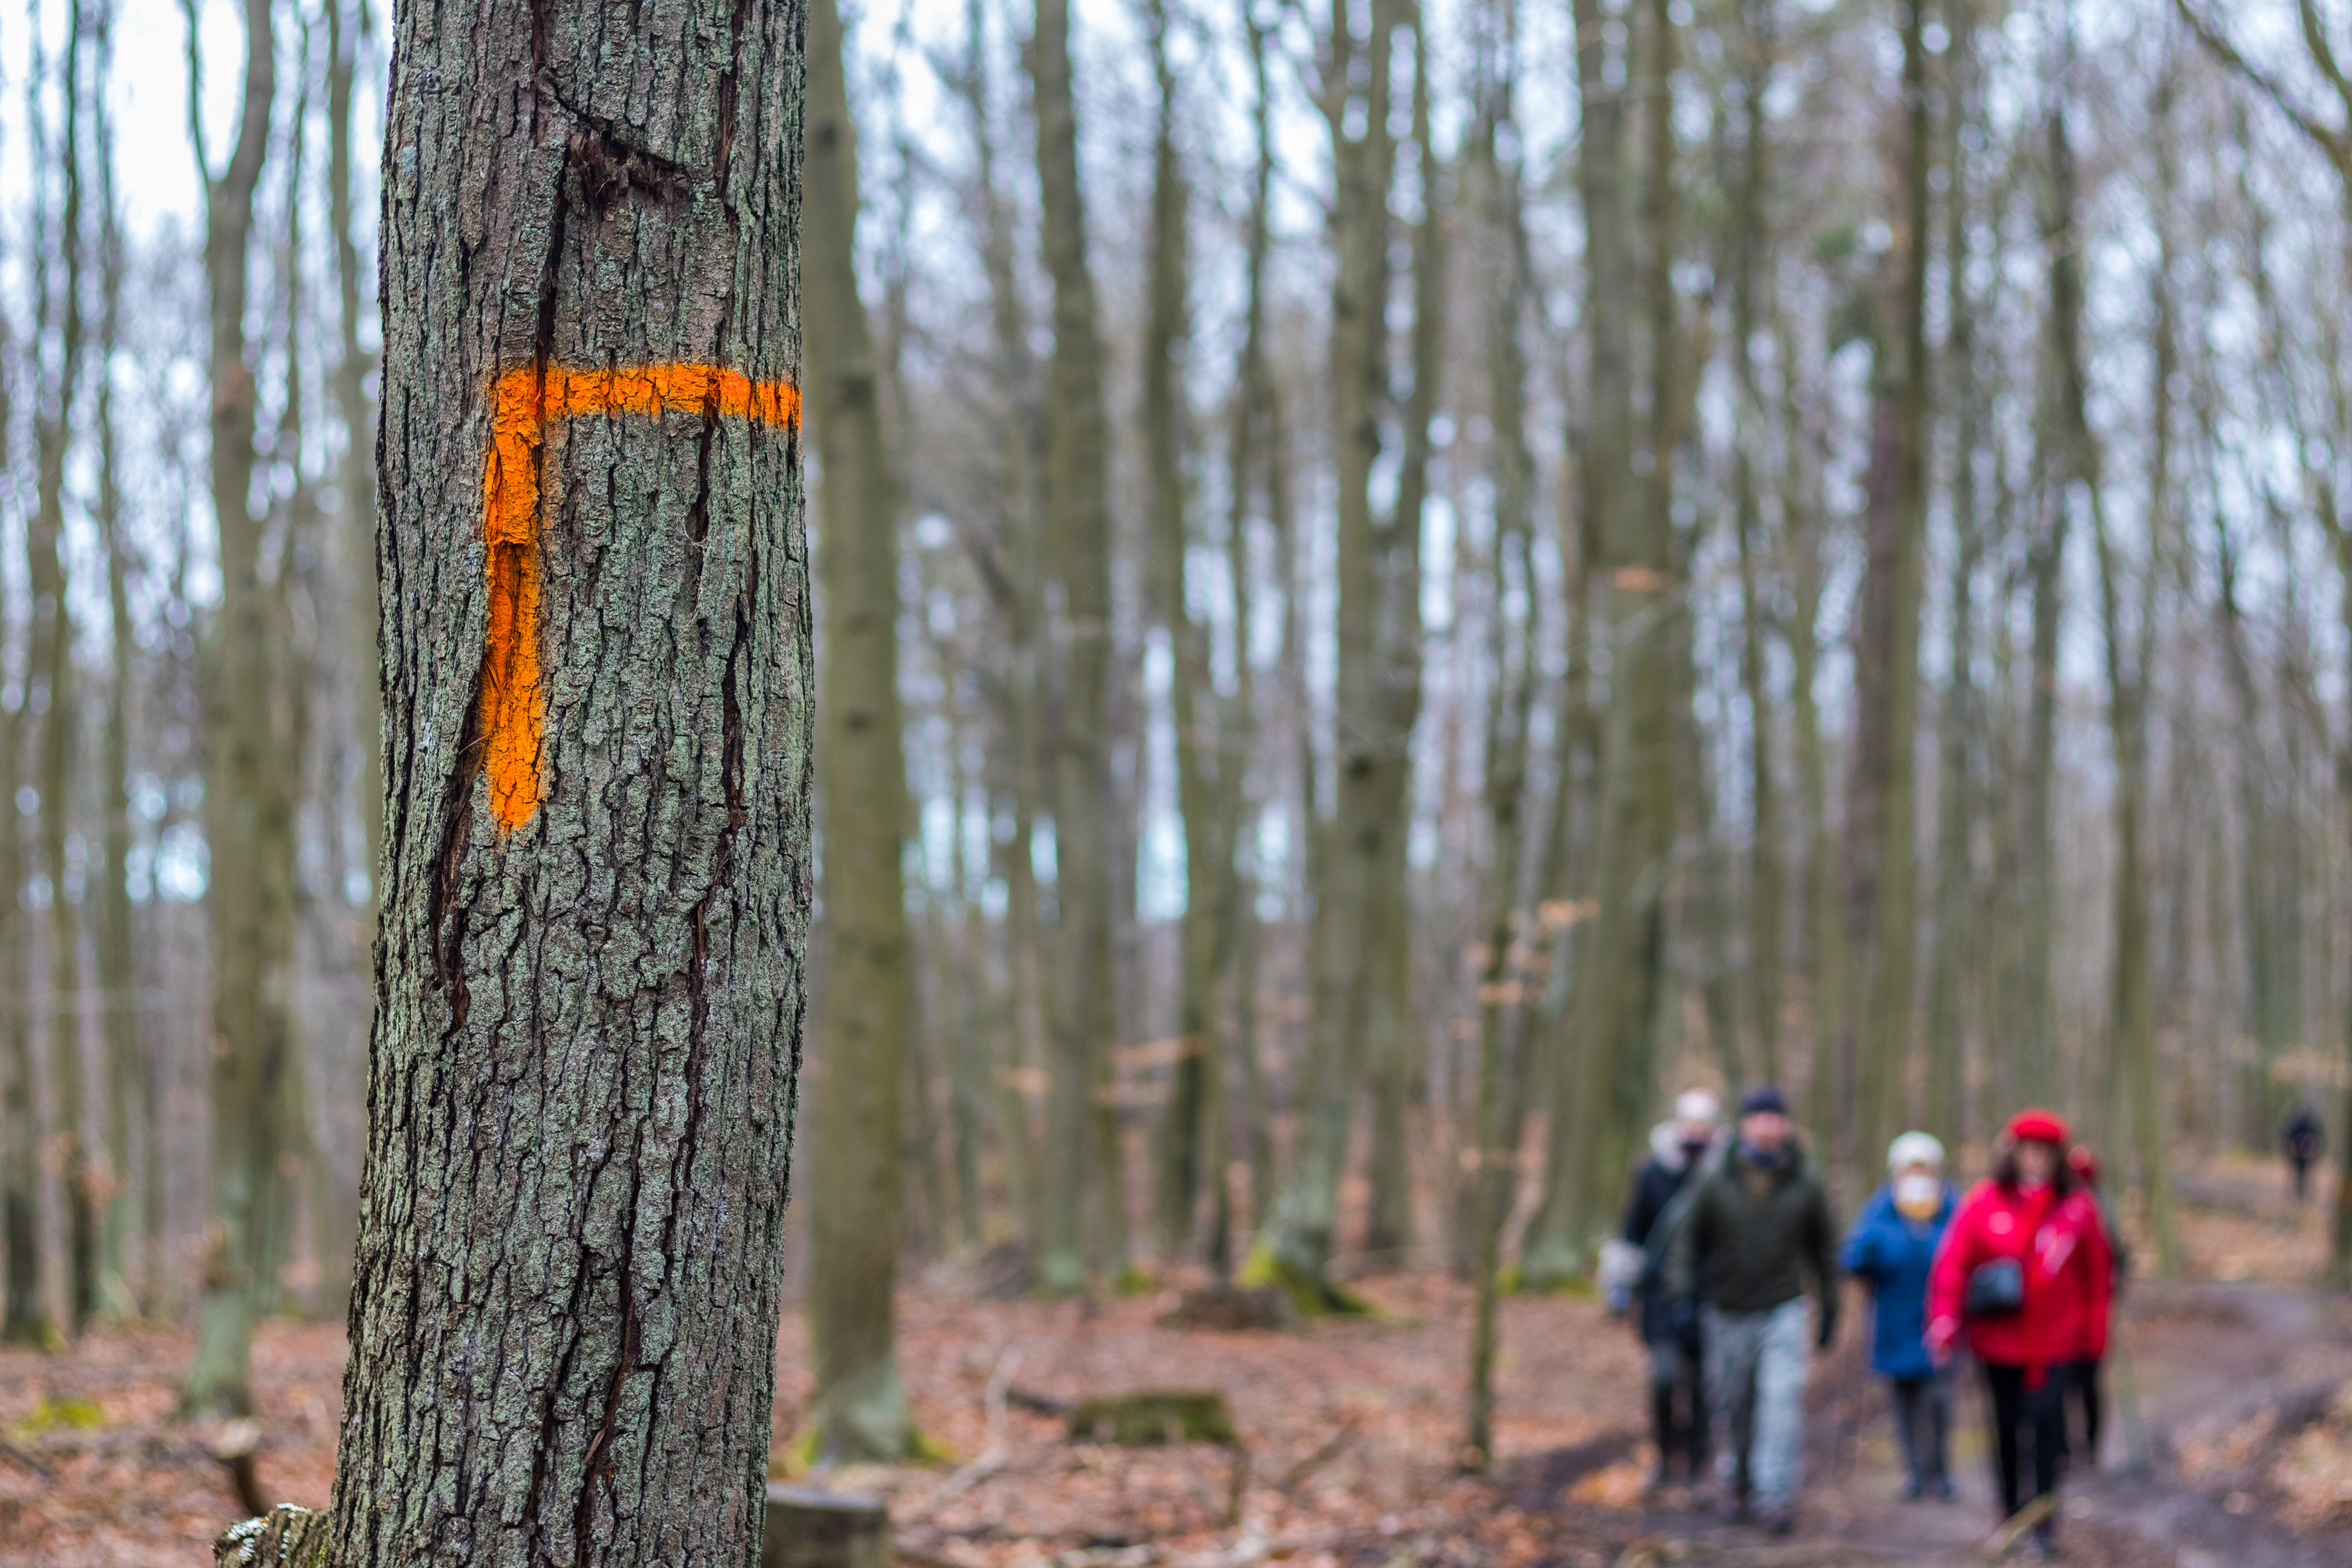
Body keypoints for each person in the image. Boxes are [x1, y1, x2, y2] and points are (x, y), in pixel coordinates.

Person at [1927, 1109, 2113, 1560]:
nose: (2036, 1159)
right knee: (2005, 1429)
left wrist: (2093, 1337)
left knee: (2048, 1428)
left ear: (2058, 1157)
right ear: (2014, 1153)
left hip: (2056, 1345)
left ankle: (2045, 1519)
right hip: (1998, 1345)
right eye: (2028, 1150)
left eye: (2045, 1152)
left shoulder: (2077, 1208)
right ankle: (2009, 1509)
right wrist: (1945, 1319)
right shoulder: (1985, 1201)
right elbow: (1953, 1264)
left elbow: (2097, 1275)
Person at [1662, 1085, 1838, 1534]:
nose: (1765, 1125)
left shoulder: (1805, 1182)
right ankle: (1736, 1479)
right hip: (1726, 1310)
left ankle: (1774, 1496)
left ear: (1785, 1125)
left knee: (1780, 1404)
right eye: (1757, 1117)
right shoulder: (1715, 1179)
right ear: (1743, 1125)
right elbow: (1685, 1240)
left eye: (1773, 1117)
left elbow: (1824, 1250)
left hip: (1784, 1309)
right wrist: (1681, 1297)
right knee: (1733, 1404)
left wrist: (1830, 1310)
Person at [1600, 1088, 1722, 1492]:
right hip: (1659, 1295)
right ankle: (1666, 1455)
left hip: (1709, 1294)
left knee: (1704, 1384)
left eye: (1704, 1125)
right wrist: (1618, 1285)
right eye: (1691, 1124)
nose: (1697, 1133)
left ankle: (1699, 1463)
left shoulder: (1721, 1175)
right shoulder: (1652, 1172)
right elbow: (1632, 1229)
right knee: (1665, 1378)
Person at [1840, 1131, 1959, 1502]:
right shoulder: (1880, 1211)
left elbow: (1969, 1252)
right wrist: (1866, 1252)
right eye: (1911, 1169)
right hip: (1893, 1322)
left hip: (1941, 1322)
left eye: (1924, 1169)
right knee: (1904, 1401)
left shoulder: (1952, 1209)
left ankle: (1939, 1470)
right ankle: (1912, 1472)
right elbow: (1852, 1258)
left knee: (1939, 1399)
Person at [2057, 1145, 2125, 1472]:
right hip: (2063, 1316)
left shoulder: (2099, 1210)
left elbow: (2117, 1259)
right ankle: (2068, 1446)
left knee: (2087, 1382)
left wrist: (2111, 1294)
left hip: (2093, 1312)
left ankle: (2090, 1445)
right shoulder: (2062, 1208)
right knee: (2066, 1383)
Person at [2283, 1102, 2326, 1203]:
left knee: (2301, 1173)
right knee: (2304, 1173)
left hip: (2299, 1154)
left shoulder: (2299, 1126)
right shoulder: (2311, 1127)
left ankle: (2302, 1193)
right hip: (2304, 1155)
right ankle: (2303, 1193)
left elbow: (2289, 1138)